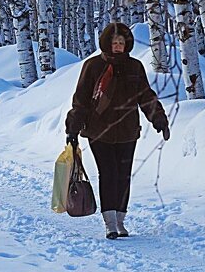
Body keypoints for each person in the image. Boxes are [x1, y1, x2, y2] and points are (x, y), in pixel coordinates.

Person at [65, 22, 170, 239]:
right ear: (106, 43)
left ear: (127, 44)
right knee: (108, 174)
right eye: (114, 42)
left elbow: (146, 97)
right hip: (99, 131)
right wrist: (73, 127)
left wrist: (159, 119)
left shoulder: (135, 67)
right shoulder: (92, 66)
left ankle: (121, 221)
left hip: (127, 131)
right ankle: (109, 223)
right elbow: (81, 99)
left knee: (123, 176)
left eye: (121, 42)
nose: (118, 46)